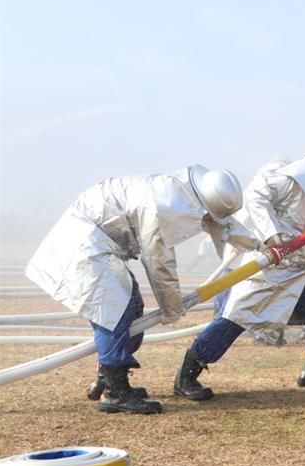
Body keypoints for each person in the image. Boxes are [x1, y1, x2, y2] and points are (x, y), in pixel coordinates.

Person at [174, 130, 305, 400]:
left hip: (302, 270)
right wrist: (272, 234)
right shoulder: (290, 180)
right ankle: (187, 376)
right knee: (236, 319)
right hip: (271, 268)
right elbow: (256, 195)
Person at [24, 166, 244, 415]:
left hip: (98, 243)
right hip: (86, 245)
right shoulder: (165, 204)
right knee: (113, 311)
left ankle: (106, 379)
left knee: (131, 308)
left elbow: (219, 226)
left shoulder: (180, 192)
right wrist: (171, 307)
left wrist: (262, 244)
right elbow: (158, 261)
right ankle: (116, 392)